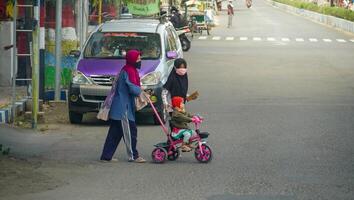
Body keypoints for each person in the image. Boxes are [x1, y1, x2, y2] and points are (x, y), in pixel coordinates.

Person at [100, 49, 146, 163]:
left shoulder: (129, 70)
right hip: (123, 107)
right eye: (138, 59)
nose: (140, 61)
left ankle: (106, 156)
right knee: (130, 131)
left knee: (115, 132)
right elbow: (132, 87)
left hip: (121, 105)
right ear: (132, 60)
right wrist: (141, 91)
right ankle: (133, 156)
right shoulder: (129, 71)